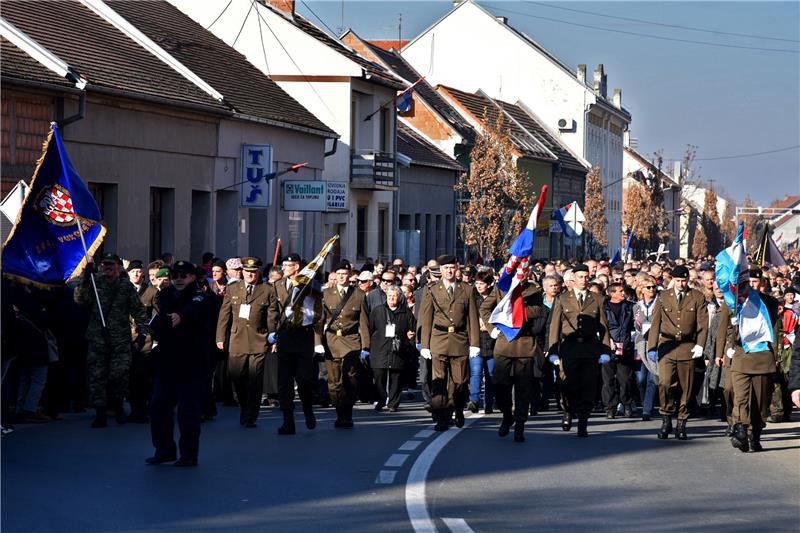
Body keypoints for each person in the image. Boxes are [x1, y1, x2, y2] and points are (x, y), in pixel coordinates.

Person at [146, 261, 210, 467]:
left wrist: (180, 316)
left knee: (187, 411)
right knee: (158, 407)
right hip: (167, 360)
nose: (179, 279)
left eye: (184, 275)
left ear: (192, 277)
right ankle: (163, 450)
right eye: (175, 276)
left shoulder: (199, 295)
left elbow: (194, 309)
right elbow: (160, 318)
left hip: (190, 362)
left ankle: (189, 454)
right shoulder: (165, 295)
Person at [75, 253, 148, 428]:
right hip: (98, 338)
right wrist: (85, 277)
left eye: (111, 264)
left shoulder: (125, 287)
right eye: (104, 264)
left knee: (119, 374)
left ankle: (118, 405)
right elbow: (80, 300)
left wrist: (142, 333)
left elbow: (138, 310)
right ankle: (100, 413)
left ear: (118, 267)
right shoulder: (94, 283)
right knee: (98, 377)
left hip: (120, 339)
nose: (107, 267)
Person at [480, 271, 548, 442]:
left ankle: (519, 424)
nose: (521, 274)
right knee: (499, 384)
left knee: (523, 388)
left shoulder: (533, 290)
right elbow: (485, 308)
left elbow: (539, 310)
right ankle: (506, 415)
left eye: (524, 271)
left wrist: (516, 309)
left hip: (524, 343)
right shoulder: (501, 288)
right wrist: (492, 328)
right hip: (504, 342)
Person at [718, 271, 780, 452]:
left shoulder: (769, 302)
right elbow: (724, 329)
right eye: (748, 281)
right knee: (740, 397)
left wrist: (775, 356)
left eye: (755, 281)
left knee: (760, 403)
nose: (752, 284)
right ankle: (740, 429)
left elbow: (774, 331)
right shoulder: (733, 301)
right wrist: (722, 352)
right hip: (741, 355)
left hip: (762, 357)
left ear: (761, 282)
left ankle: (755, 434)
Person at [548, 264, 612, 437]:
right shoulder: (562, 299)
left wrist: (606, 350)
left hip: (590, 348)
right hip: (569, 348)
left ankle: (583, 421)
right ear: (573, 279)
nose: (584, 280)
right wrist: (553, 349)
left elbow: (603, 326)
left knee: (588, 387)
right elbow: (555, 326)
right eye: (580, 277)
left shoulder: (597, 299)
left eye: (586, 277)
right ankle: (567, 410)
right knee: (567, 384)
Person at [419, 255, 480, 431]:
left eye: (452, 268)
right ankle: (442, 418)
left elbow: (472, 318)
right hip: (438, 339)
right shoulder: (431, 289)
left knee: (460, 382)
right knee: (439, 381)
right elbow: (426, 318)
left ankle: (458, 407)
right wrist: (424, 345)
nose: (449, 271)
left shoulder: (467, 289)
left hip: (460, 340)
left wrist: (474, 343)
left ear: (457, 268)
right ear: (441, 270)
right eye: (446, 268)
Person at [647, 265, 708, 440]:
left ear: (688, 280)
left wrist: (700, 345)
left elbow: (703, 324)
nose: (681, 284)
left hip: (687, 347)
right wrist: (652, 347)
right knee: (665, 383)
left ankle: (682, 422)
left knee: (686, 387)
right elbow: (655, 323)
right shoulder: (663, 297)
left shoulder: (697, 297)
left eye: (684, 280)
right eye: (678, 281)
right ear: (672, 280)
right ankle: (666, 419)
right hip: (667, 345)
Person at [215, 257, 277, 428]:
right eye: (248, 272)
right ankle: (244, 406)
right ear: (242, 272)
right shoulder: (233, 288)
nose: (251, 275)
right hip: (236, 339)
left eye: (254, 272)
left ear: (258, 272)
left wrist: (273, 337)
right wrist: (220, 337)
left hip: (259, 339)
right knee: (237, 377)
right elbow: (224, 314)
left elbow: (272, 315)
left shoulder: (267, 290)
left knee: (255, 379)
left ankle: (251, 415)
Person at [272, 253, 323, 435]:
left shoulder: (310, 285)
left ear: (297, 267)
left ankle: (308, 410)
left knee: (304, 380)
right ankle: (288, 422)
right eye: (283, 265)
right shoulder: (277, 286)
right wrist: (273, 331)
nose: (283, 268)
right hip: (285, 336)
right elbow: (272, 310)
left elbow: (317, 311)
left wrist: (300, 315)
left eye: (287, 265)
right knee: (284, 382)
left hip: (303, 336)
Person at [322, 260, 370, 427]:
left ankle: (347, 412)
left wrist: (365, 347)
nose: (342, 277)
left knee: (350, 377)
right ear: (334, 275)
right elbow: (319, 320)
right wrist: (317, 343)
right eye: (339, 274)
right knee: (334, 381)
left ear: (350, 275)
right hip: (332, 340)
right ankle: (338, 410)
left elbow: (363, 322)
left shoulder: (358, 294)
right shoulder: (326, 294)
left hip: (351, 341)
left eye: (345, 274)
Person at [369, 285, 415, 412]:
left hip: (398, 350)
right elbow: (370, 329)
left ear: (399, 297)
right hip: (380, 349)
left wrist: (409, 338)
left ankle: (393, 403)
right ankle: (381, 399)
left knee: (396, 378)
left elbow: (412, 330)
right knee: (379, 376)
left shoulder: (406, 313)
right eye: (389, 296)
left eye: (394, 296)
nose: (392, 298)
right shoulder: (377, 311)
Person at [603, 282, 636, 419]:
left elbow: (635, 326)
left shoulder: (630, 307)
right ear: (612, 293)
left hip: (625, 346)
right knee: (608, 380)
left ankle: (627, 404)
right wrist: (607, 340)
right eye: (620, 291)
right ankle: (610, 407)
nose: (623, 293)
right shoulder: (604, 308)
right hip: (607, 348)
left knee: (625, 379)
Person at [469, 269, 495, 414]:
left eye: (482, 283)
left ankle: (489, 403)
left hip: (492, 341)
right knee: (476, 371)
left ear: (489, 284)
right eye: (477, 283)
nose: (478, 286)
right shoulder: (473, 297)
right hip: (476, 341)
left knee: (491, 374)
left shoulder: (495, 298)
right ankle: (474, 400)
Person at [633, 275, 659, 421]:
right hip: (640, 344)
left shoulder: (659, 304)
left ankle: (647, 410)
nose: (651, 290)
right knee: (641, 378)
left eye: (653, 287)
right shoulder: (636, 307)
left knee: (652, 377)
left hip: (656, 343)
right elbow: (634, 325)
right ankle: (644, 403)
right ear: (641, 290)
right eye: (648, 287)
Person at [770, 288, 797, 422]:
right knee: (776, 383)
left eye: (781, 306)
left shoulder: (791, 315)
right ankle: (776, 412)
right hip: (774, 351)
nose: (779, 309)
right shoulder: (770, 317)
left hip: (788, 352)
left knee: (786, 382)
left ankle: (787, 411)